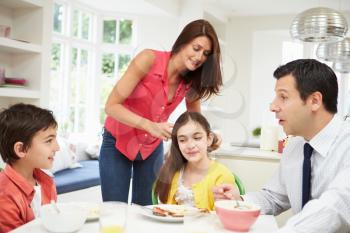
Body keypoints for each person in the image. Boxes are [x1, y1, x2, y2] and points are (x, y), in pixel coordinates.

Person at [213, 59, 350, 233]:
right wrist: (239, 201)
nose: (272, 106)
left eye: (283, 97)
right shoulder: (295, 146)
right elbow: (274, 198)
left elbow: (334, 207)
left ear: (314, 100)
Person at [99, 19, 223, 205]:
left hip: (151, 148)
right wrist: (149, 125)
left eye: (206, 54)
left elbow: (195, 120)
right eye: (196, 48)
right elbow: (111, 106)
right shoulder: (149, 59)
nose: (199, 57)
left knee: (146, 210)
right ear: (183, 42)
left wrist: (209, 135)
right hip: (117, 142)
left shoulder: (192, 81)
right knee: (115, 209)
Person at [154, 111, 236, 210]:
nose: (190, 145)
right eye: (182, 140)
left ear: (209, 139)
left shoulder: (222, 175)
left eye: (197, 138)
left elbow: (222, 216)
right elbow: (166, 211)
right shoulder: (174, 172)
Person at [0, 103, 60, 232]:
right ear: (21, 149)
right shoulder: (4, 196)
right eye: (49, 141)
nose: (57, 148)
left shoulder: (46, 182)